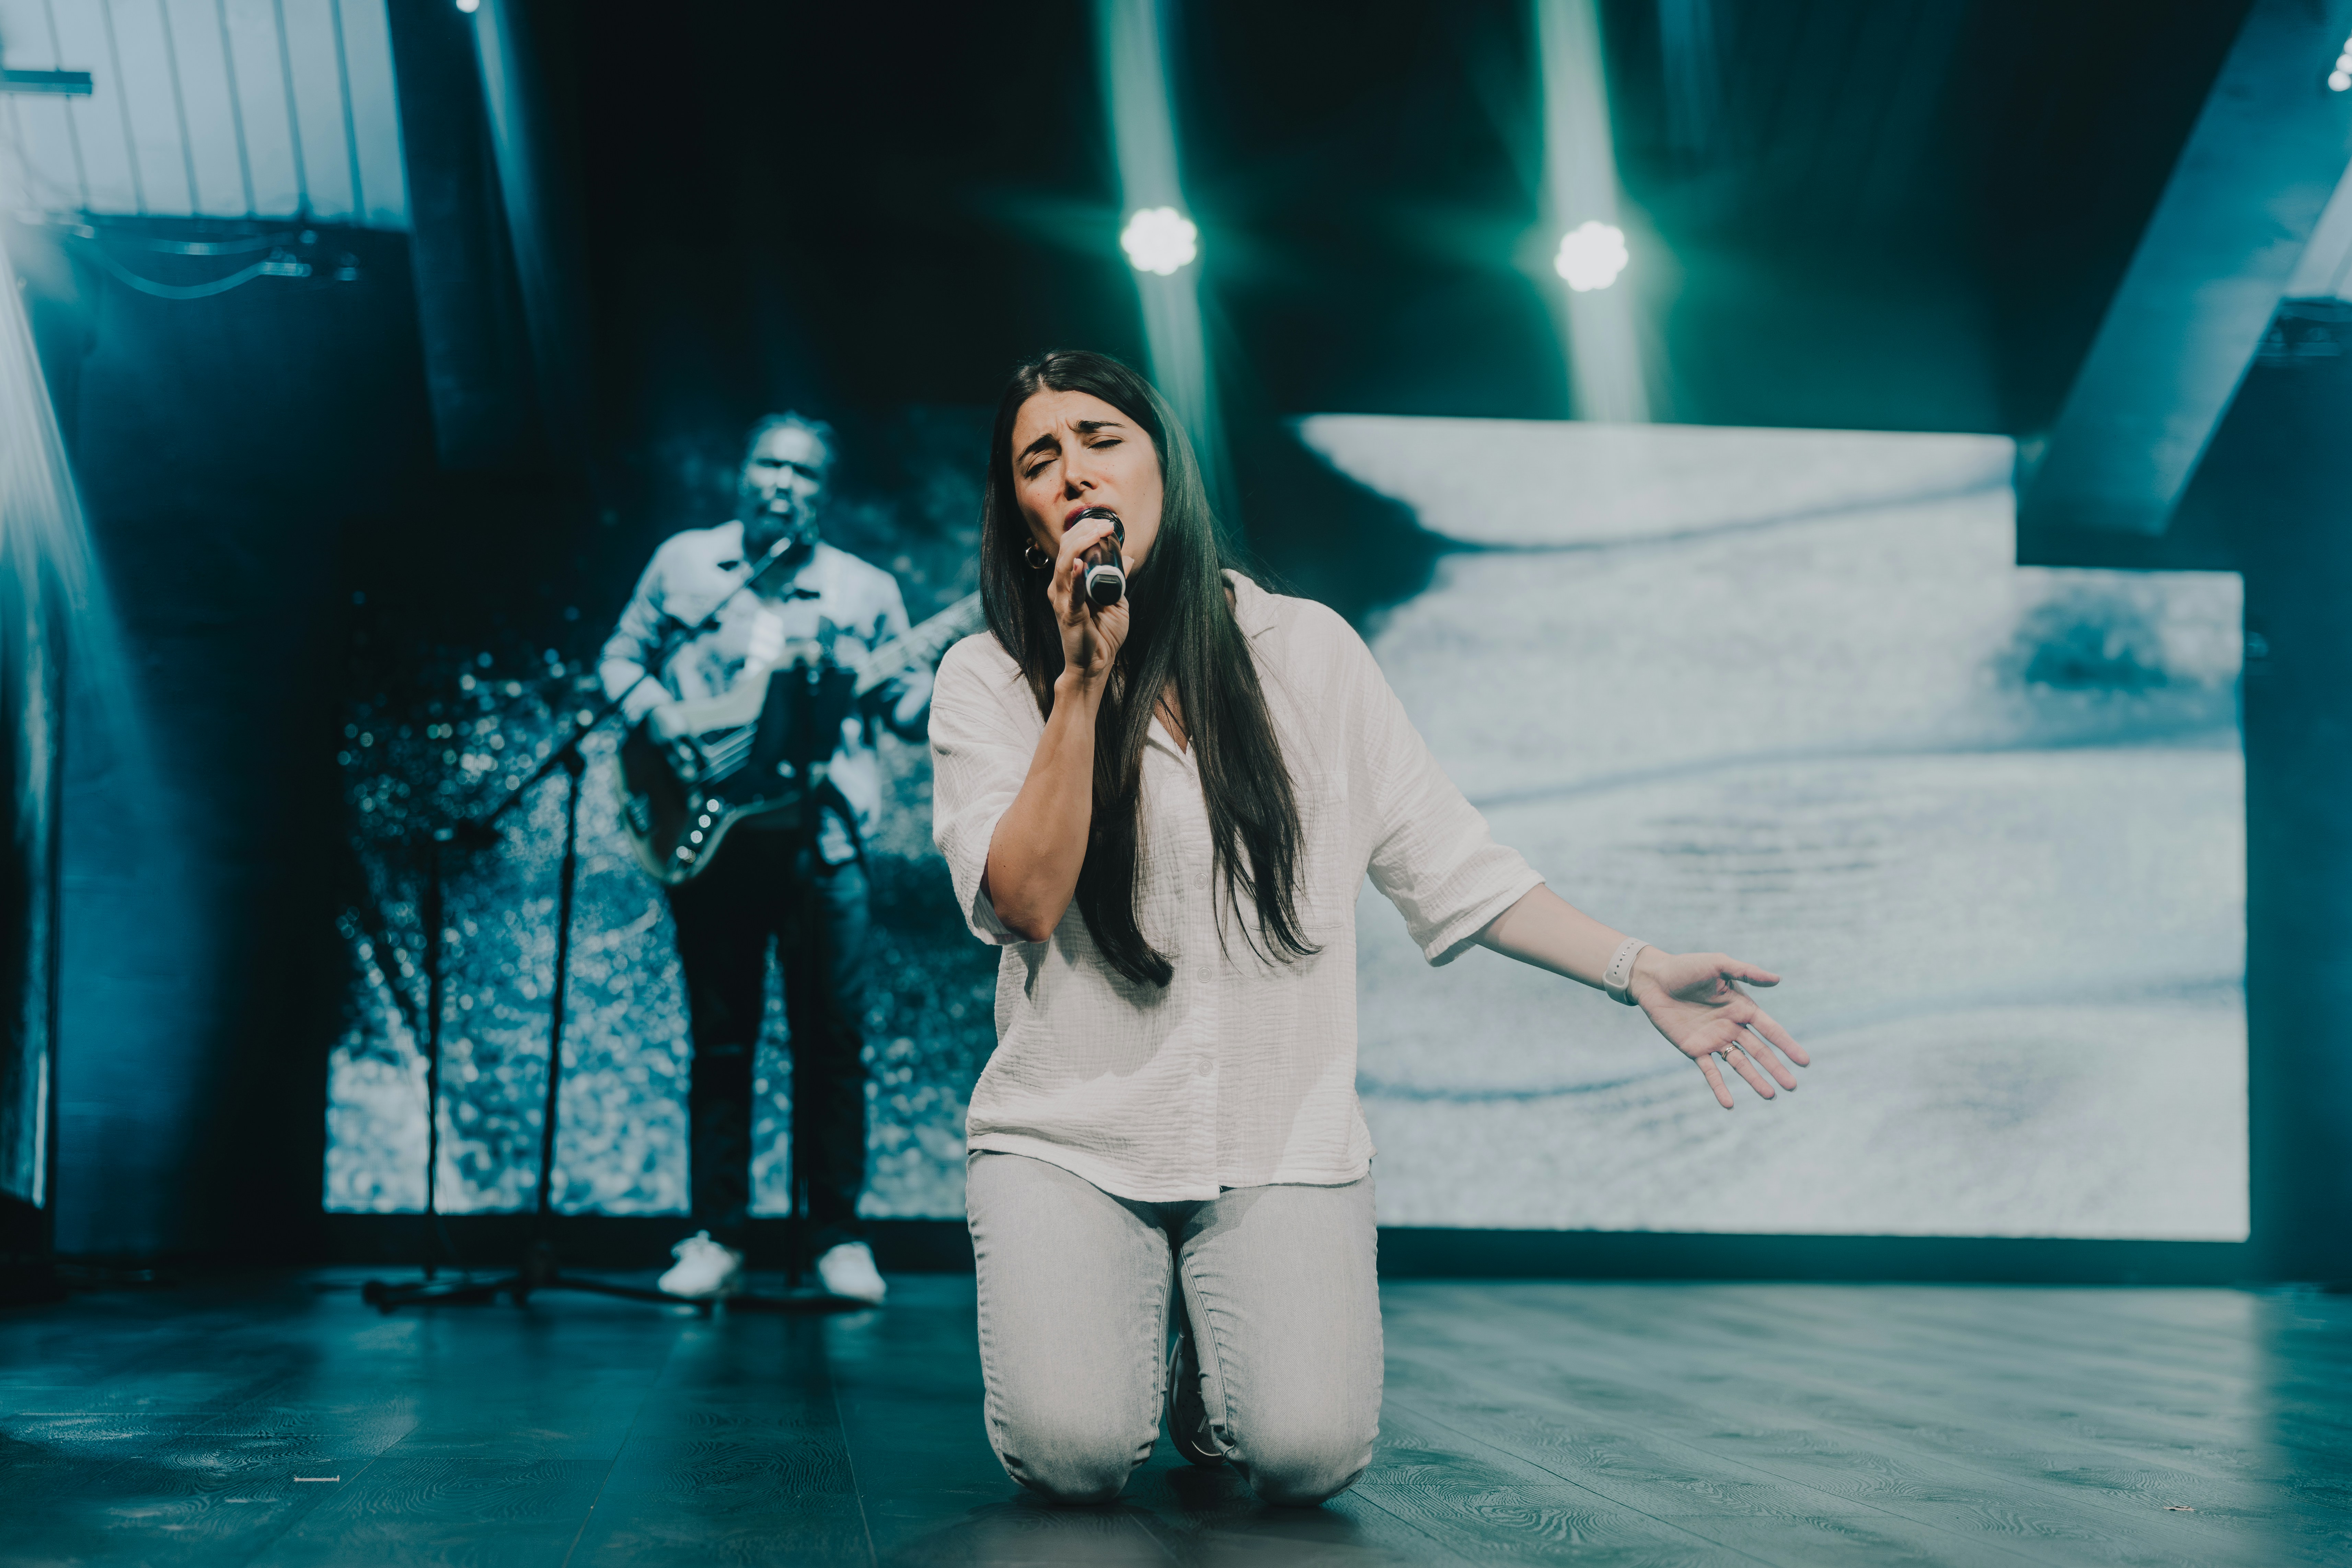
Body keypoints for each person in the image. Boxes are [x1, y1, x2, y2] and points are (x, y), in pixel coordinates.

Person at [928, 351, 1810, 1506]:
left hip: (1277, 1139)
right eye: (1039, 460)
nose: (1074, 473)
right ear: (1025, 521)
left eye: (1101, 439)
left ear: (1165, 469)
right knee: (1074, 1456)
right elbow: (1024, 901)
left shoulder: (1306, 652)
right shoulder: (988, 679)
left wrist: (1632, 967)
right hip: (1073, 1141)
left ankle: (1210, 1366)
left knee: (1308, 1456)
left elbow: (1449, 864)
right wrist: (1081, 684)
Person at [601, 412, 929, 1304]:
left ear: (825, 492)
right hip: (712, 841)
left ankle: (837, 1236)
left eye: (804, 472)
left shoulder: (864, 590)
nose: (784, 482)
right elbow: (622, 659)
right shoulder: (684, 564)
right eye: (770, 465)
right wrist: (659, 715)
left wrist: (944, 691)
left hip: (826, 844)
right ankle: (716, 1233)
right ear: (743, 473)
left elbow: (904, 708)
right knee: (721, 1043)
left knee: (835, 1046)